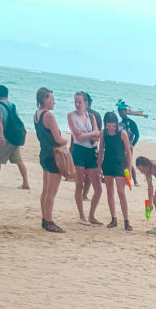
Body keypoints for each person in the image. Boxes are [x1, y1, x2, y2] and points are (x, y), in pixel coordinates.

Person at [33, 87, 68, 233]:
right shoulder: (49, 116)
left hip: (44, 154)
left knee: (45, 190)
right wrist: (67, 140)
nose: (54, 102)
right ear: (44, 100)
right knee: (51, 192)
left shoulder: (37, 114)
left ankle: (45, 218)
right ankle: (49, 221)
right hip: (53, 155)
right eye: (51, 99)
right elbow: (58, 138)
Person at [67, 91, 102, 225]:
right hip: (79, 151)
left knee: (98, 188)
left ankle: (92, 215)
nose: (77, 104)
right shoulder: (71, 115)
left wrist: (89, 134)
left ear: (86, 103)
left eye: (80, 102)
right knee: (79, 185)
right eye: (75, 101)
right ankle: (82, 216)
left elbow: (97, 135)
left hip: (91, 151)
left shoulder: (91, 116)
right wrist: (92, 134)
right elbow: (78, 137)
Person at [98, 111, 133, 231]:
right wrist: (98, 167)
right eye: (109, 126)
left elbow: (128, 152)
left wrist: (128, 169)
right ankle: (114, 218)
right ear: (106, 124)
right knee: (109, 191)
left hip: (120, 165)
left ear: (116, 124)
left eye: (113, 126)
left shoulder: (122, 133)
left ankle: (126, 220)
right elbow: (101, 150)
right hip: (107, 164)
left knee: (121, 192)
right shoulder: (103, 133)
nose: (111, 128)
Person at [0, 85, 30, 190]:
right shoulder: (12, 105)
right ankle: (26, 183)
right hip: (15, 138)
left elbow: (0, 122)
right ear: (7, 93)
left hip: (6, 137)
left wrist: (0, 136)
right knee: (19, 161)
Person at [117, 103, 140, 184]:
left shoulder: (131, 123)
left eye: (122, 111)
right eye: (119, 112)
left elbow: (137, 135)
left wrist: (132, 145)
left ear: (126, 111)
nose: (121, 113)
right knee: (124, 164)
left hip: (129, 146)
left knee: (128, 163)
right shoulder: (119, 124)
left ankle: (135, 181)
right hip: (120, 147)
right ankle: (127, 179)